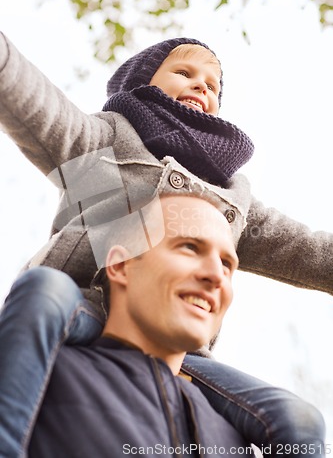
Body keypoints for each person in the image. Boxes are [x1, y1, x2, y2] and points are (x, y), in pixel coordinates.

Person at [0, 33, 327, 456]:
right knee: (42, 291)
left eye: (213, 85)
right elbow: (33, 100)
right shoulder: (103, 144)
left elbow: (305, 250)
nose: (202, 86)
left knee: (299, 420)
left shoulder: (230, 196)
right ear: (142, 84)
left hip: (181, 349)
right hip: (82, 308)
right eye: (185, 72)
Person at [23, 194, 316, 456]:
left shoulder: (236, 440)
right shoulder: (39, 376)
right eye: (189, 247)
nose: (217, 275)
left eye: (227, 264)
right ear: (120, 265)